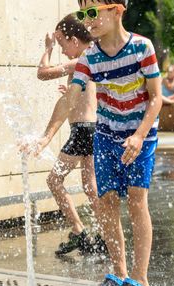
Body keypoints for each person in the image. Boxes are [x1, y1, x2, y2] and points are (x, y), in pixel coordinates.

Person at [66, 0, 162, 286]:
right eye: (83, 14)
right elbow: (77, 85)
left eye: (92, 13)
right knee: (105, 201)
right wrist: (70, 89)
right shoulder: (90, 57)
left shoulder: (141, 48)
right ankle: (119, 273)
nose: (87, 21)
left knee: (136, 199)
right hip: (106, 134)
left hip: (141, 134)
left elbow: (156, 98)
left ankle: (140, 277)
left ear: (117, 11)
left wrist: (138, 135)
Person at [28, 14, 106, 255]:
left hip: (83, 130)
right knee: (90, 186)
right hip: (90, 128)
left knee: (54, 180)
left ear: (74, 40)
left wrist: (48, 48)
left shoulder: (82, 59)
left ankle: (79, 230)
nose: (62, 50)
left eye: (62, 44)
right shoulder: (92, 56)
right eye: (57, 45)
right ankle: (104, 235)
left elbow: (43, 72)